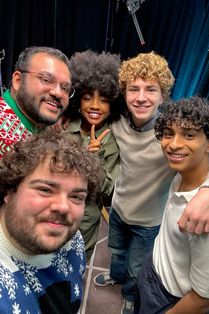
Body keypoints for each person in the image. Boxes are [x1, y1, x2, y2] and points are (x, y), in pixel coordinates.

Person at [93, 52, 209, 314]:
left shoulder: (173, 130)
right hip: (119, 208)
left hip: (148, 222)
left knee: (136, 269)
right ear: (124, 93)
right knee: (117, 253)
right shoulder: (116, 123)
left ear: (163, 95)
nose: (141, 97)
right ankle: (117, 276)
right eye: (133, 89)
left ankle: (129, 294)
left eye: (151, 89)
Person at [135, 96, 209, 314]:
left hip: (169, 299)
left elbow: (203, 301)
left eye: (189, 135)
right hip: (154, 269)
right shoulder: (187, 170)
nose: (174, 144)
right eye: (169, 133)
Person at [0, 128, 103, 313]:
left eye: (77, 197)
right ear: (9, 190)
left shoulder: (75, 242)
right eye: (45, 190)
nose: (63, 207)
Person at [56, 50, 122, 256]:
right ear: (77, 101)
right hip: (53, 210)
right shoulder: (63, 127)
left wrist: (93, 158)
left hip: (84, 220)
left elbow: (107, 189)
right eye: (87, 98)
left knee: (76, 267)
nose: (95, 106)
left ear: (113, 104)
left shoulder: (111, 141)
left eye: (103, 99)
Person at [0, 46, 74, 159]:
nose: (58, 93)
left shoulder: (47, 130)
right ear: (18, 81)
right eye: (46, 80)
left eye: (65, 88)